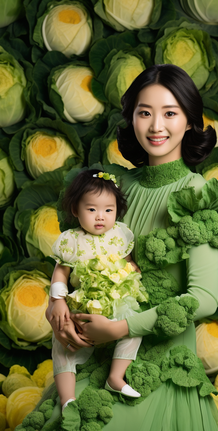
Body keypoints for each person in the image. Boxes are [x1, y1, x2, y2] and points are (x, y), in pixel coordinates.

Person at [6, 65, 218, 431]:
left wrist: (122, 328)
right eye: (144, 113)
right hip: (97, 348)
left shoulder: (199, 195)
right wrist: (56, 302)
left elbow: (205, 299)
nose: (157, 126)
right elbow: (77, 254)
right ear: (131, 120)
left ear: (191, 121)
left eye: (170, 113)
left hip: (160, 358)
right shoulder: (116, 187)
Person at [49, 168, 146, 408]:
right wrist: (58, 301)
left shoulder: (120, 235)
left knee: (134, 326)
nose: (100, 217)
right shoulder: (71, 240)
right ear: (76, 210)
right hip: (82, 303)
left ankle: (115, 376)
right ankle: (67, 397)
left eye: (108, 210)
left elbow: (128, 261)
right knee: (63, 342)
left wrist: (132, 269)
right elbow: (61, 272)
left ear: (116, 211)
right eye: (91, 209)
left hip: (115, 301)